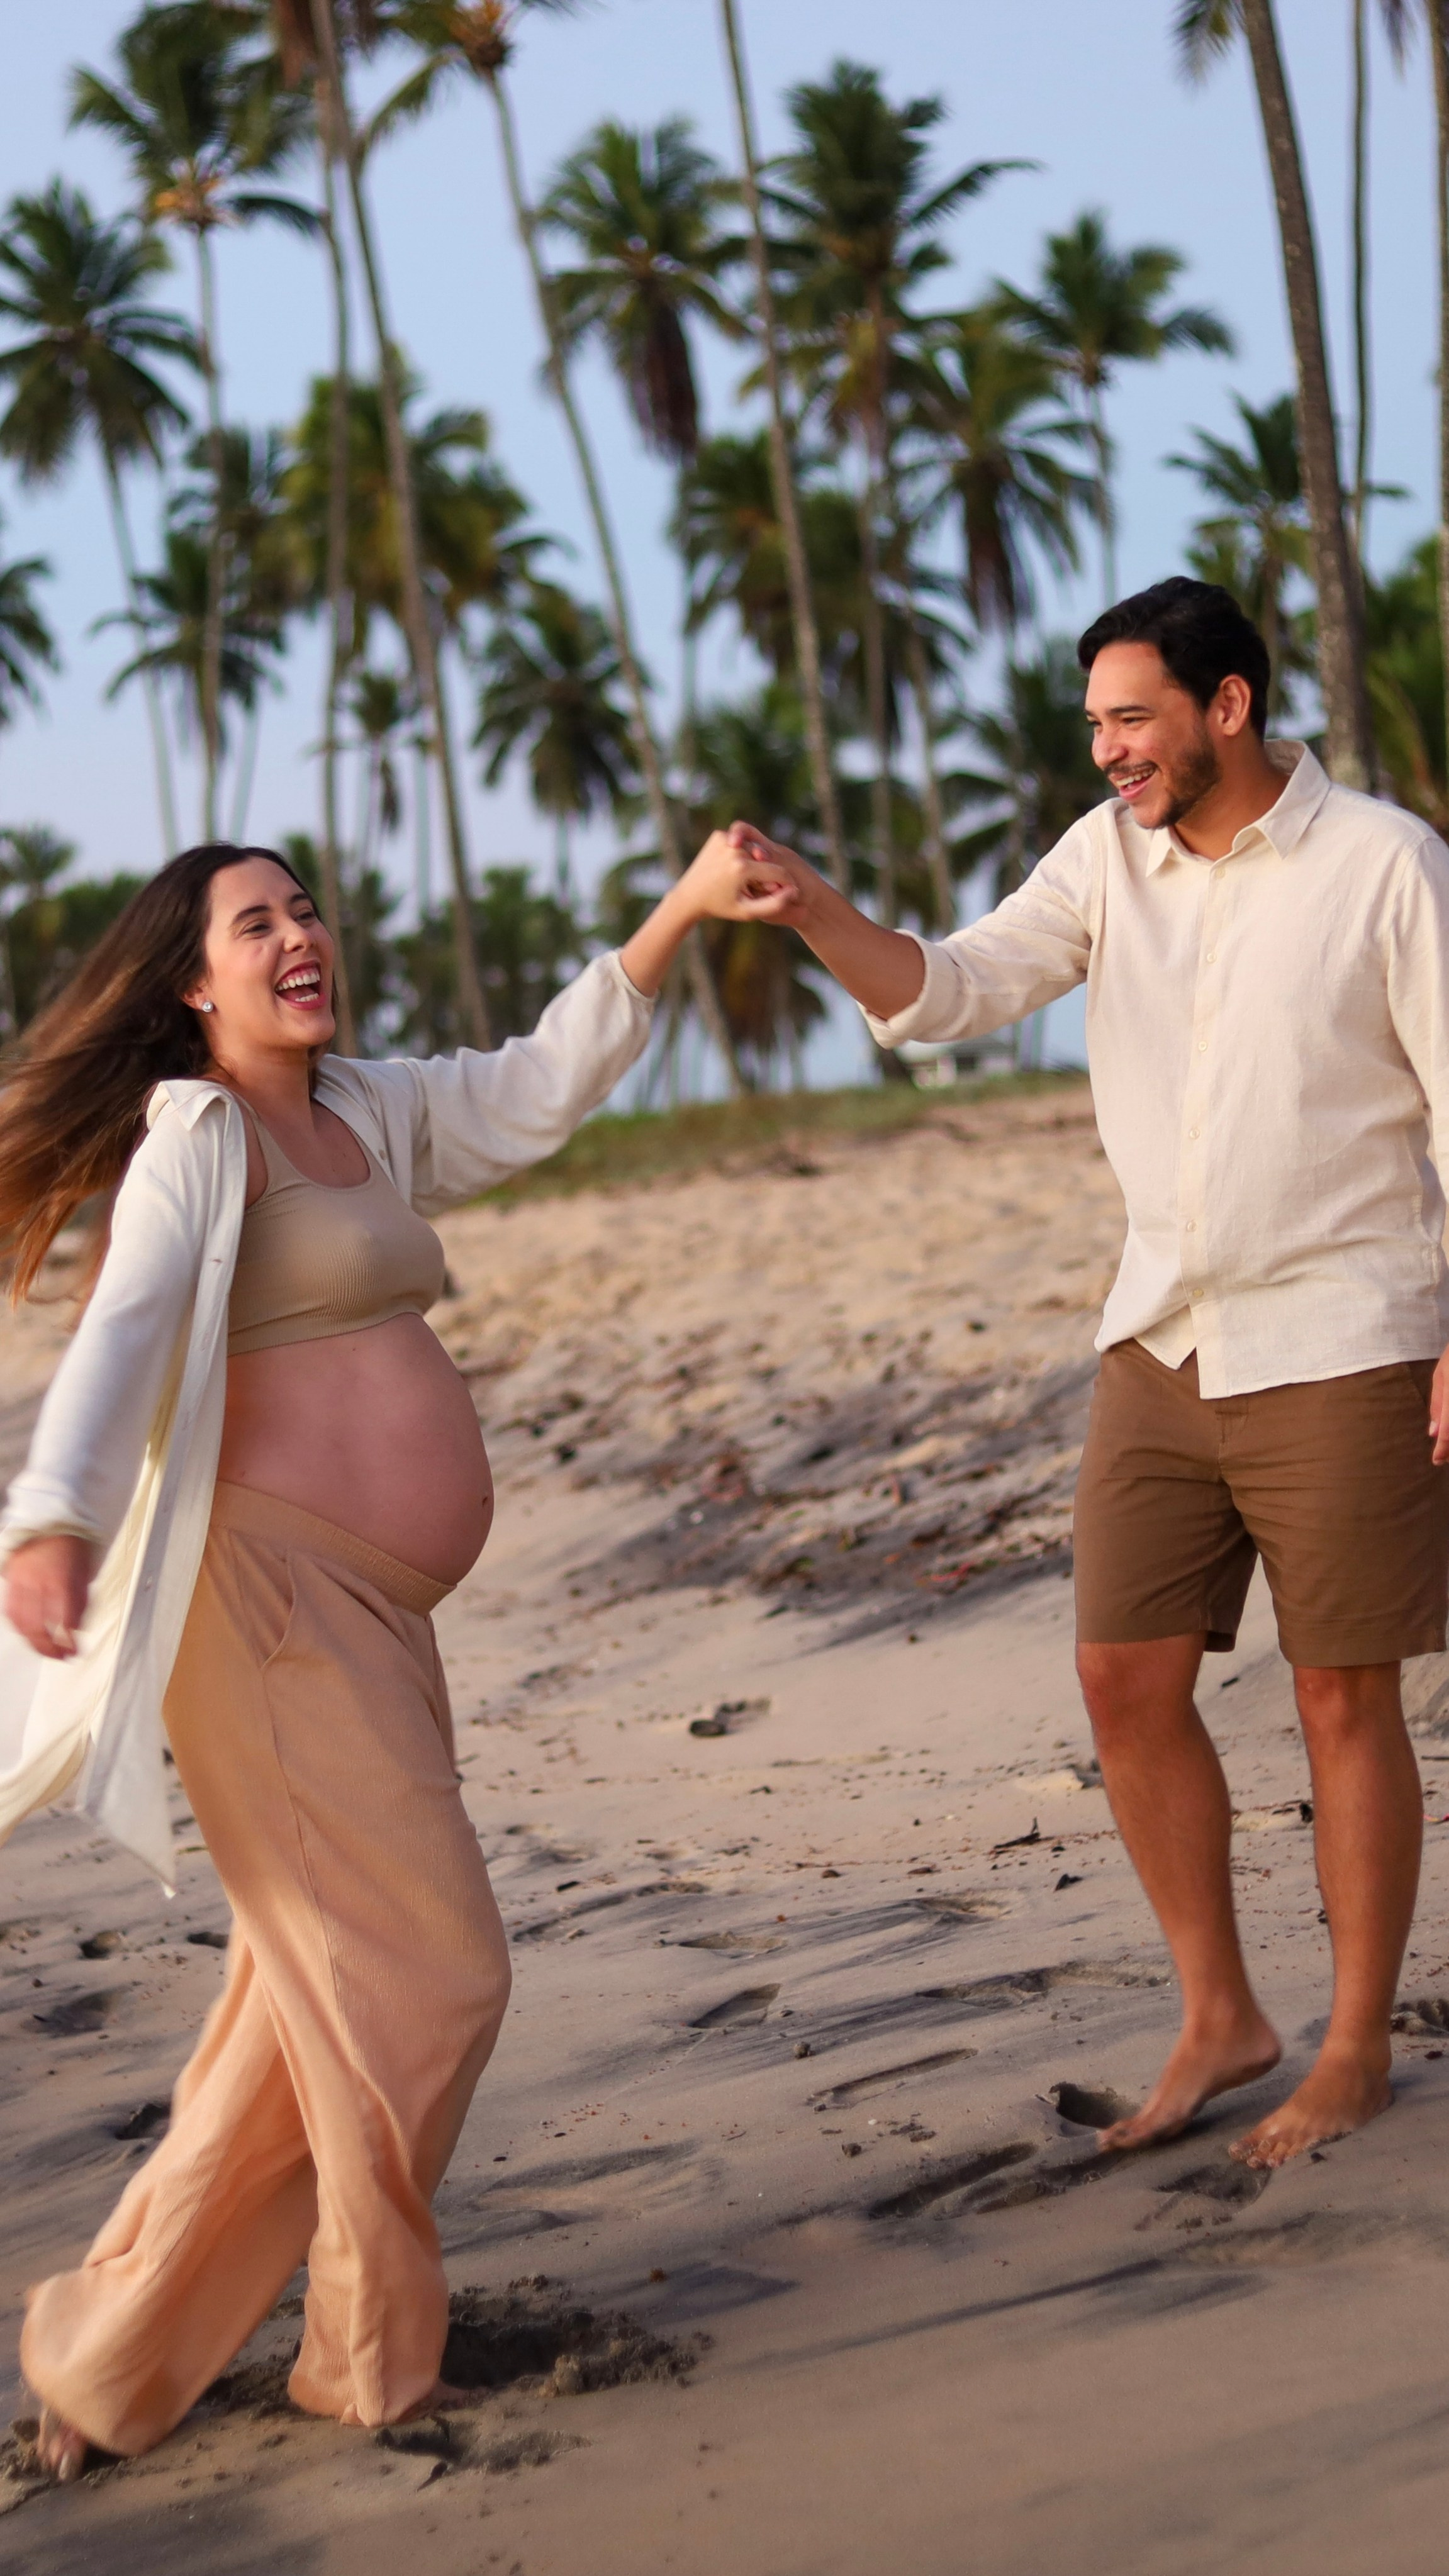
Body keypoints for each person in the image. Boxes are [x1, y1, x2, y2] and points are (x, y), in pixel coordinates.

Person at [0, 832, 752, 2478]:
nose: (297, 938)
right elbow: (124, 1328)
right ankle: (365, 2355)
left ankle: (114, 2361)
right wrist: (47, 1515)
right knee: (434, 1972)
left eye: (305, 910)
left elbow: (544, 1085)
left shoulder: (371, 1112)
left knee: (301, 2015)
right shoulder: (197, 1138)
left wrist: (680, 912)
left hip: (371, 1622)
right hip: (257, 1617)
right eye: (252, 924)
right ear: (192, 985)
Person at [713, 576, 1449, 2173]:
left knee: (1343, 1693)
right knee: (1123, 1677)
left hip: (1346, 1329)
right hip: (1163, 1334)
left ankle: (1353, 2043)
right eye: (1097, 724)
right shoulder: (1101, 859)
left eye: (1133, 717)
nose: (1109, 751)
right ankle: (1220, 2011)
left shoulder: (1387, 864)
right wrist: (817, 905)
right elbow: (946, 992)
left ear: (1227, 706)